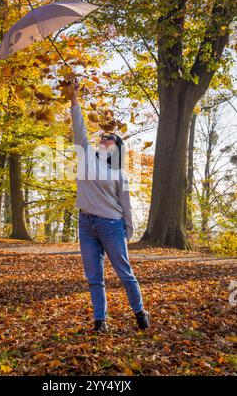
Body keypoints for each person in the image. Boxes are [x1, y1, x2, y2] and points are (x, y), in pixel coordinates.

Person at [66, 77, 150, 333]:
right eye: (102, 137)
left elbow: (127, 206)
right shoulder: (86, 156)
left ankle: (139, 312)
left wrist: (128, 231)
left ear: (117, 148)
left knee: (124, 273)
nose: (103, 140)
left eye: (109, 139)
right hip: (86, 223)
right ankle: (100, 320)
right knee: (94, 278)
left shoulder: (120, 174)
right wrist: (74, 99)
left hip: (112, 226)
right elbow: (79, 128)